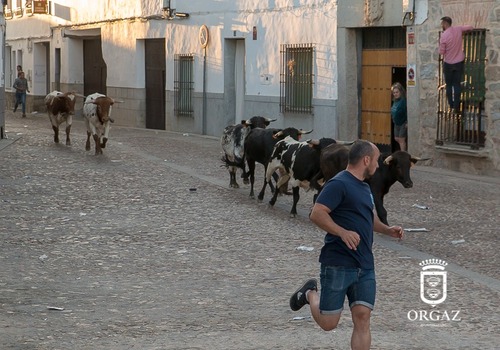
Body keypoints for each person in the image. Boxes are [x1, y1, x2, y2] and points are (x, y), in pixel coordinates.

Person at [289, 140, 404, 350]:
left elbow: (368, 217)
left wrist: (387, 229)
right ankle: (309, 294)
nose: (378, 166)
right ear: (366, 160)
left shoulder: (364, 186)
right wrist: (342, 232)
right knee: (328, 323)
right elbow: (317, 213)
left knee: (362, 317)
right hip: (338, 263)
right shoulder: (338, 183)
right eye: (376, 160)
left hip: (365, 264)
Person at [439, 16, 473, 113]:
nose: (441, 25)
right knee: (456, 84)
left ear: (445, 23)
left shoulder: (444, 35)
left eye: (442, 23)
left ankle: (451, 105)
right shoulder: (458, 29)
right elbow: (470, 27)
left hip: (448, 63)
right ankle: (457, 106)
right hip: (458, 62)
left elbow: (441, 51)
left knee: (449, 85)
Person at [390, 82, 407, 151]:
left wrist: (407, 122)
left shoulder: (403, 101)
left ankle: (403, 154)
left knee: (401, 139)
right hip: (396, 123)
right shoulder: (395, 101)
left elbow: (406, 111)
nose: (395, 94)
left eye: (397, 92)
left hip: (403, 123)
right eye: (394, 93)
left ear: (400, 92)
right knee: (396, 138)